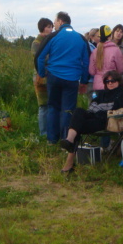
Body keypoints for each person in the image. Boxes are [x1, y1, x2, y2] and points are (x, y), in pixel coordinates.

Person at [35, 11, 90, 144]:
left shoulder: (53, 36)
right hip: (72, 79)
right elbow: (87, 62)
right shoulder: (81, 38)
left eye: (55, 22)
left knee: (53, 107)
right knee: (68, 109)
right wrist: (84, 81)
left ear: (60, 21)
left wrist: (42, 73)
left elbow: (39, 57)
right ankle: (66, 138)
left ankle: (52, 139)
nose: (54, 25)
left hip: (54, 77)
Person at [59, 70, 123, 173]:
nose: (110, 83)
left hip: (105, 121)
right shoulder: (101, 93)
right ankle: (69, 140)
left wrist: (99, 107)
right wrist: (101, 108)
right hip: (93, 116)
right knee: (78, 111)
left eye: (113, 81)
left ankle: (69, 161)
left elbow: (115, 107)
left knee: (77, 126)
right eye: (107, 81)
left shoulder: (122, 93)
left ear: (118, 81)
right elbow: (92, 106)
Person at [32, 18, 54, 136]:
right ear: (43, 28)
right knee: (43, 105)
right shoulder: (36, 43)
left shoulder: (49, 41)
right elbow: (40, 58)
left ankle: (50, 130)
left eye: (52, 27)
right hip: (40, 78)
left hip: (50, 76)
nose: (51, 29)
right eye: (49, 27)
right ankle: (43, 132)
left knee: (51, 105)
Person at [89, 25, 123, 90]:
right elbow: (121, 70)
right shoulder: (116, 50)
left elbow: (92, 71)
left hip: (98, 85)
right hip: (112, 84)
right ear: (110, 36)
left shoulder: (95, 51)